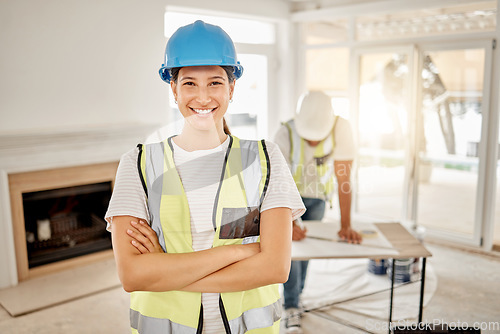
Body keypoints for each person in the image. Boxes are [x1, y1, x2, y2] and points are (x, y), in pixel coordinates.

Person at [105, 20, 305, 334]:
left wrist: (165, 267)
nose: (202, 97)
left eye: (214, 83)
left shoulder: (267, 159)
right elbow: (132, 275)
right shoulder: (138, 164)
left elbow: (275, 267)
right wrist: (237, 252)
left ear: (232, 88)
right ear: (173, 89)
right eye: (189, 84)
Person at [273, 90, 363, 333]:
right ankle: (291, 306)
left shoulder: (341, 128)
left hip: (319, 197)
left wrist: (346, 224)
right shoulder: (286, 133)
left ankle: (297, 295)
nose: (313, 142)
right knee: (291, 248)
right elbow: (277, 182)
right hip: (289, 195)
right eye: (309, 137)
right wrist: (289, 221)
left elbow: (344, 180)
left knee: (307, 248)